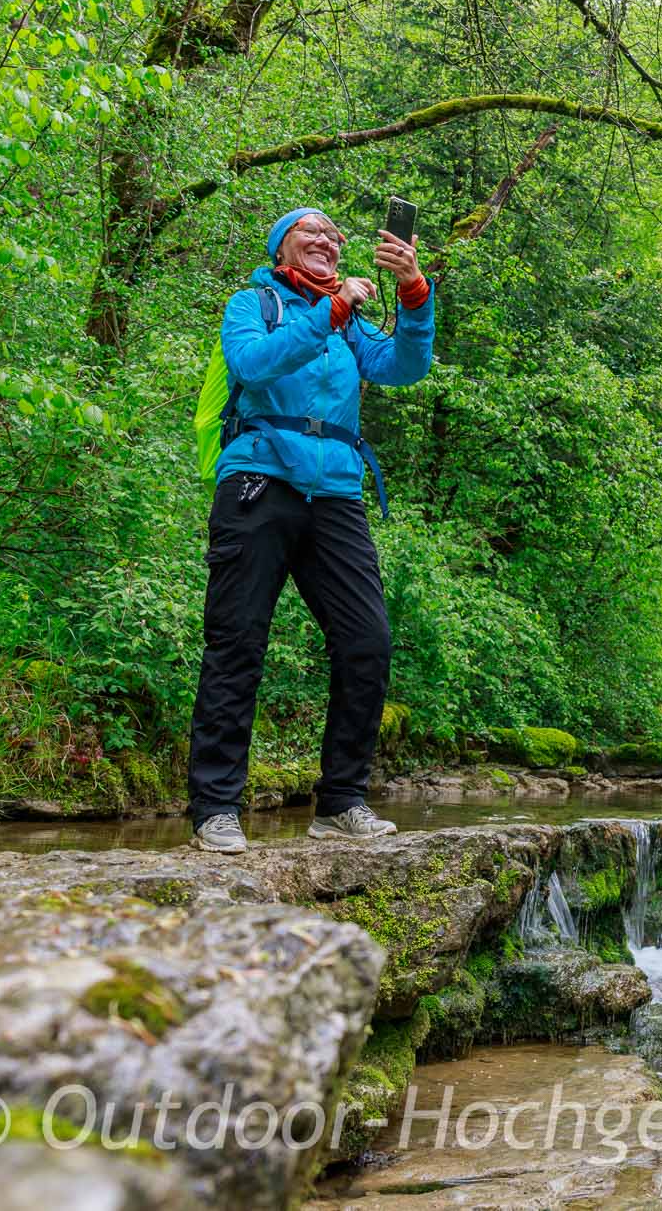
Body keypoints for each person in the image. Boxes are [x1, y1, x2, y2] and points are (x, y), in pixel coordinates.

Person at [186, 207, 434, 853]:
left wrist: (413, 292)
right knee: (237, 641)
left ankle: (341, 802)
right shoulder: (253, 303)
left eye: (334, 235)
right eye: (311, 232)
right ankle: (215, 807)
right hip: (258, 481)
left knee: (367, 642)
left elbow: (404, 366)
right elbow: (255, 362)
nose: (327, 240)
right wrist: (332, 311)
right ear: (282, 248)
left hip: (334, 493)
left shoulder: (349, 326)